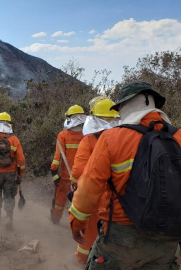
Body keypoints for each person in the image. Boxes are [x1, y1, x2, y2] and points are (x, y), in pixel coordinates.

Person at [69, 82, 181, 269]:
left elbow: (88, 189)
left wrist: (76, 223)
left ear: (123, 107)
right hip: (167, 240)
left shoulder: (112, 139)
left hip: (121, 239)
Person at [69, 97, 120, 267]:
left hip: (95, 201)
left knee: (87, 240)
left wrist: (75, 188)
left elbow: (77, 173)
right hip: (121, 205)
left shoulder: (89, 141)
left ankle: (81, 264)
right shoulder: (126, 141)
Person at [50, 105, 86, 224]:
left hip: (66, 177)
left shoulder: (63, 135)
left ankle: (55, 220)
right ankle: (78, 224)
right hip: (83, 178)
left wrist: (54, 173)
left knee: (60, 201)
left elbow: (57, 157)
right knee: (80, 203)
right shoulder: (87, 134)